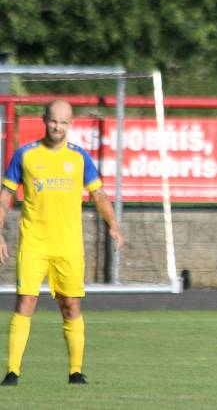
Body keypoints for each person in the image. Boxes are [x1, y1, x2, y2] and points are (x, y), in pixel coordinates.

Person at [0, 99, 124, 386]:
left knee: (71, 305)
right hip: (34, 242)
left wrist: (114, 225)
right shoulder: (25, 155)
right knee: (26, 301)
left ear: (71, 124)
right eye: (53, 120)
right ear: (44, 120)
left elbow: (99, 196)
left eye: (63, 122)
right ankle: (12, 371)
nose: (57, 127)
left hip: (68, 245)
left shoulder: (80, 158)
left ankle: (75, 372)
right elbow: (6, 196)